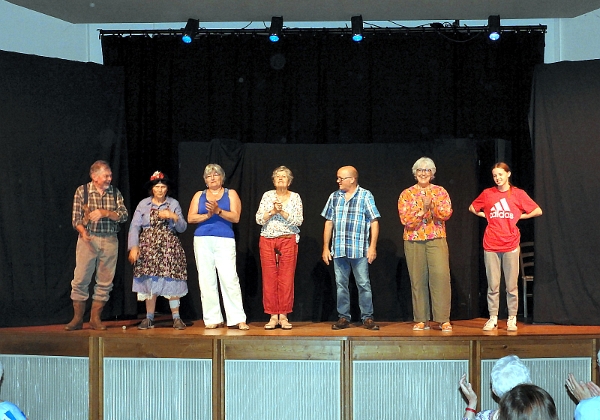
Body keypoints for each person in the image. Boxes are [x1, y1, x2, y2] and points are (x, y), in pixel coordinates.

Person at [469, 162, 542, 332]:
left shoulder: (518, 194)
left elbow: (537, 210)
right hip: (491, 244)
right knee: (493, 285)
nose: (497, 178)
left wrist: (519, 217)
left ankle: (511, 317)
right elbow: (472, 207)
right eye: (495, 175)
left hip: (510, 244)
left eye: (500, 174)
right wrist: (486, 215)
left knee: (511, 286)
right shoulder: (488, 194)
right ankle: (493, 318)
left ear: (508, 174)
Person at [65, 160, 128, 331]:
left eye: (110, 175)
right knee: (80, 279)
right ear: (94, 176)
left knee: (105, 281)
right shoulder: (82, 192)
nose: (109, 178)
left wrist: (105, 213)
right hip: (88, 239)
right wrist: (82, 231)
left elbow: (123, 215)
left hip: (109, 240)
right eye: (106, 175)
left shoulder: (115, 193)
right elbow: (76, 220)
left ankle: (95, 319)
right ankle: (77, 319)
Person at [188, 163, 249, 330]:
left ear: (222, 178)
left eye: (215, 175)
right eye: (209, 176)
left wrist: (218, 211)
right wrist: (207, 215)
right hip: (202, 239)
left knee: (229, 278)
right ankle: (212, 318)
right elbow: (191, 218)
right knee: (206, 279)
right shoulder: (199, 195)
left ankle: (237, 318)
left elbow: (236, 217)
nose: (212, 178)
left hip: (224, 239)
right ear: (205, 180)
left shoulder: (231, 194)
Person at [321, 165, 381, 331]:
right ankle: (343, 317)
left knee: (363, 284)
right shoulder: (334, 197)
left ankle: (367, 317)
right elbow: (328, 222)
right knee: (341, 285)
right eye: (338, 178)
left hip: (359, 249)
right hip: (339, 249)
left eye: (341, 178)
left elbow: (374, 221)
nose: (338, 181)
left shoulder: (365, 195)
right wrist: (326, 247)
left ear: (352, 179)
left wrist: (372, 247)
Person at [398, 157, 453, 332]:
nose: (423, 173)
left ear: (432, 173)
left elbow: (446, 213)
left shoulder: (440, 191)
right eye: (420, 170)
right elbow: (406, 220)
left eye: (427, 170)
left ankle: (443, 319)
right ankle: (421, 319)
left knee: (441, 277)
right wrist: (423, 211)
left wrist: (432, 207)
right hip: (413, 240)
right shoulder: (406, 194)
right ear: (415, 173)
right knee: (417, 279)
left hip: (436, 238)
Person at [128, 171, 188, 330]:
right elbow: (134, 226)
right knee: (150, 281)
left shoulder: (173, 203)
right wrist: (133, 246)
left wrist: (173, 217)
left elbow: (182, 227)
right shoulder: (143, 204)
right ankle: (149, 318)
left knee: (172, 279)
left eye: (163, 187)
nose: (160, 190)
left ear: (167, 189)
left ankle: (176, 318)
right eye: (157, 187)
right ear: (152, 189)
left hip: (169, 246)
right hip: (148, 247)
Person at [255, 166, 304, 330]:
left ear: (289, 181)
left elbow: (298, 221)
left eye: (284, 177)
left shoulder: (295, 197)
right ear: (273, 181)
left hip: (287, 239)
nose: (281, 179)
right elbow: (259, 219)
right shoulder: (267, 195)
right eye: (277, 177)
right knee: (269, 278)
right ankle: (272, 316)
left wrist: (282, 213)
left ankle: (283, 315)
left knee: (286, 278)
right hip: (268, 239)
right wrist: (272, 211)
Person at [460, 354, 532, 420]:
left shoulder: (485, 417)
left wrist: (472, 402)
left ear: (494, 391)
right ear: (530, 384)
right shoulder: (539, 412)